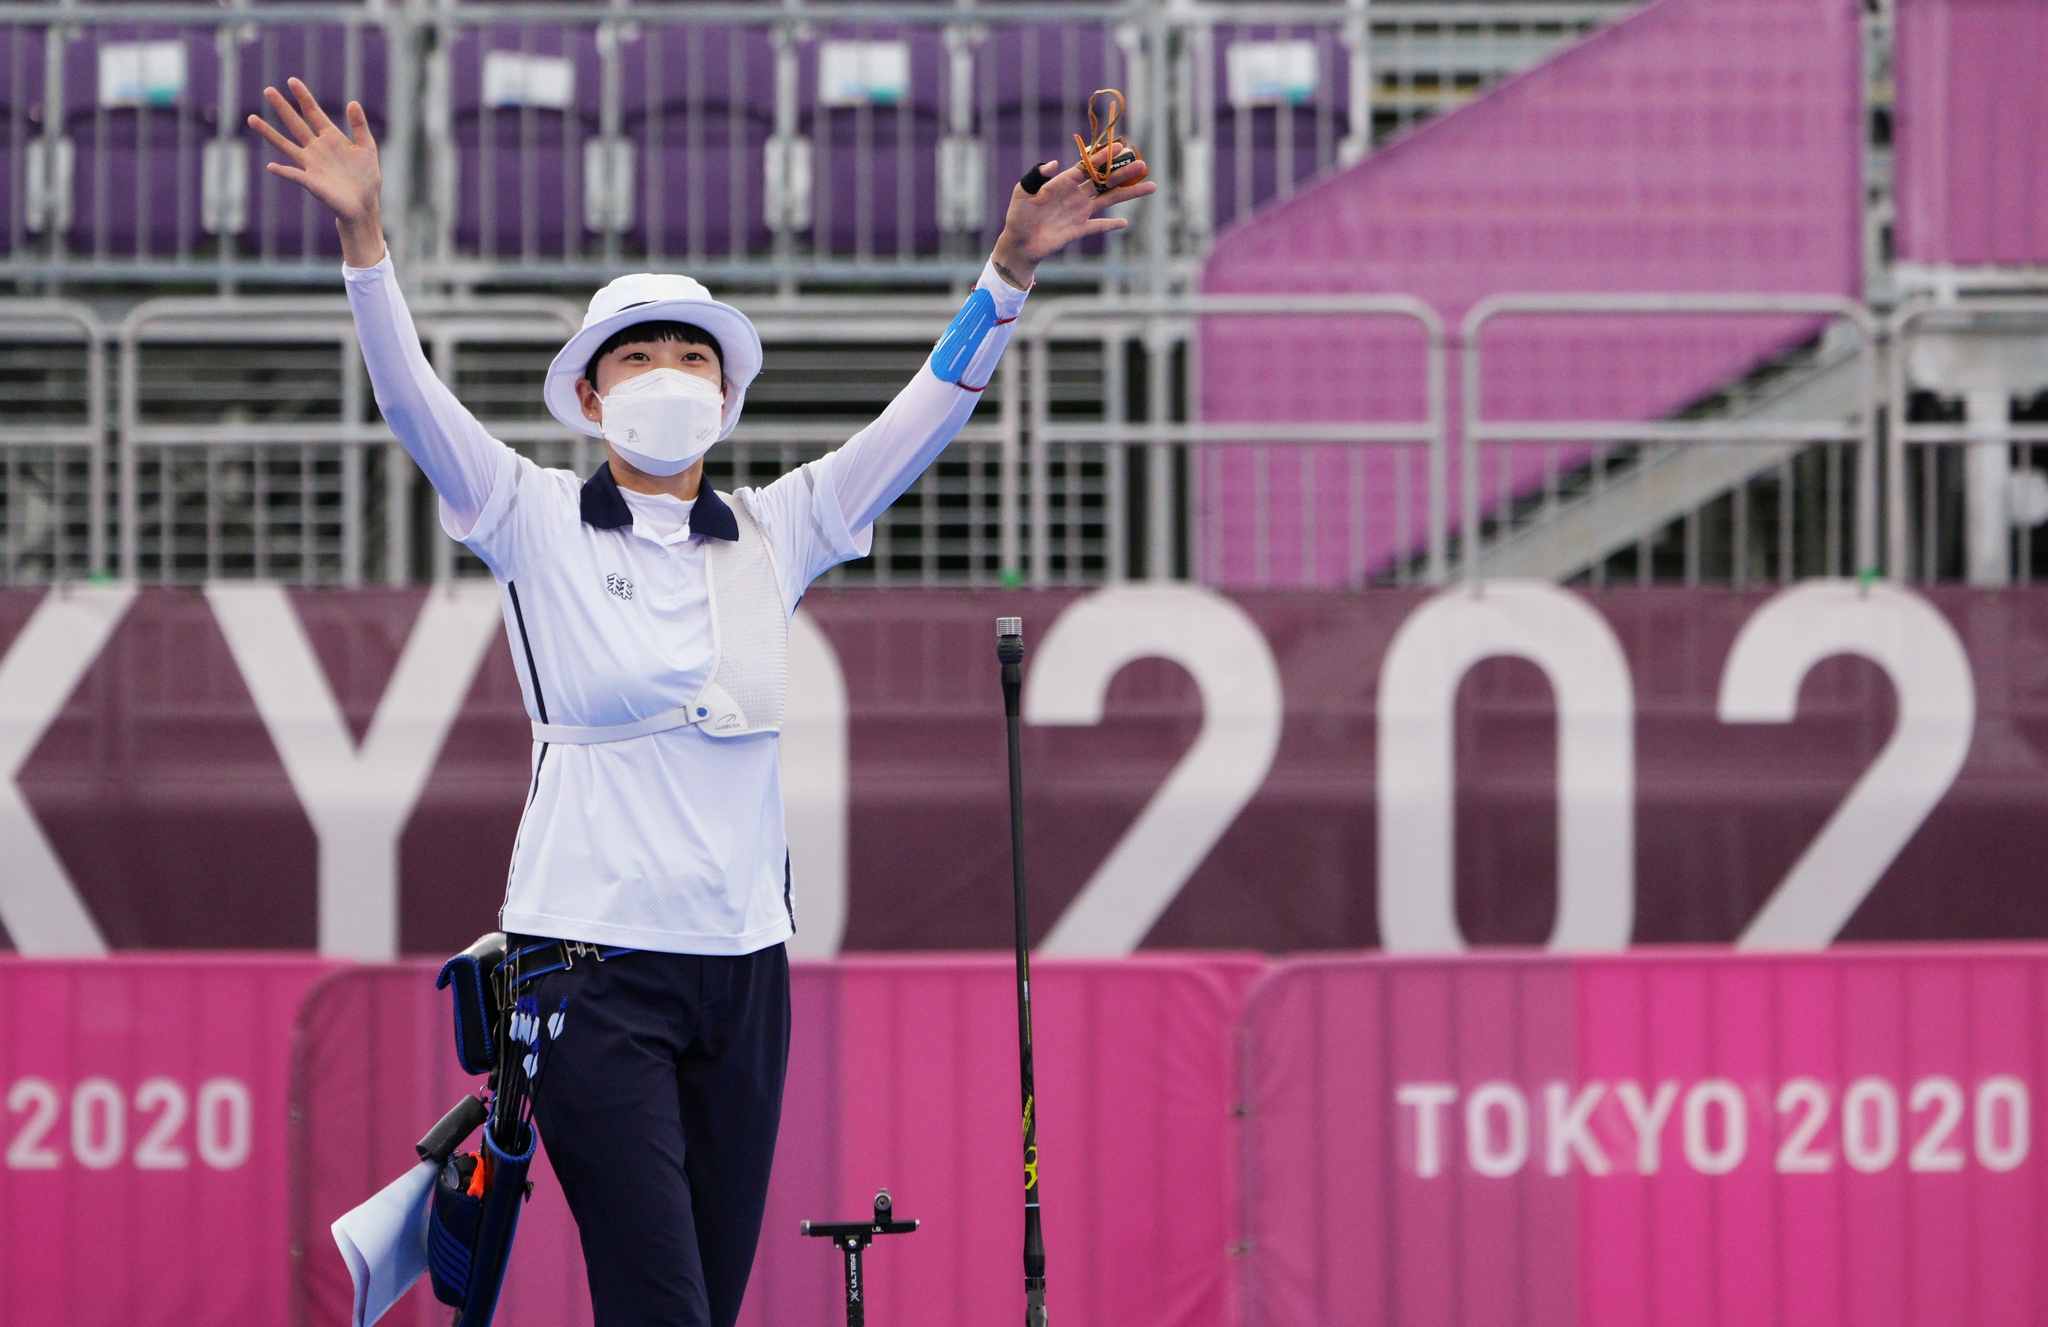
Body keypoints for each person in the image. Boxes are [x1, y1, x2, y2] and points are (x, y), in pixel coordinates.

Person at [249, 78, 1152, 1327]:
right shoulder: (530, 514)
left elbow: (923, 417)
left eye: (692, 355)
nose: (667, 373)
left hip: (745, 972)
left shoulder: (779, 527)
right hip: (587, 967)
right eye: (639, 354)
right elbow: (411, 402)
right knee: (662, 1306)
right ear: (590, 394)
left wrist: (1006, 273)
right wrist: (364, 244)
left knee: (702, 1308)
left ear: (725, 398)